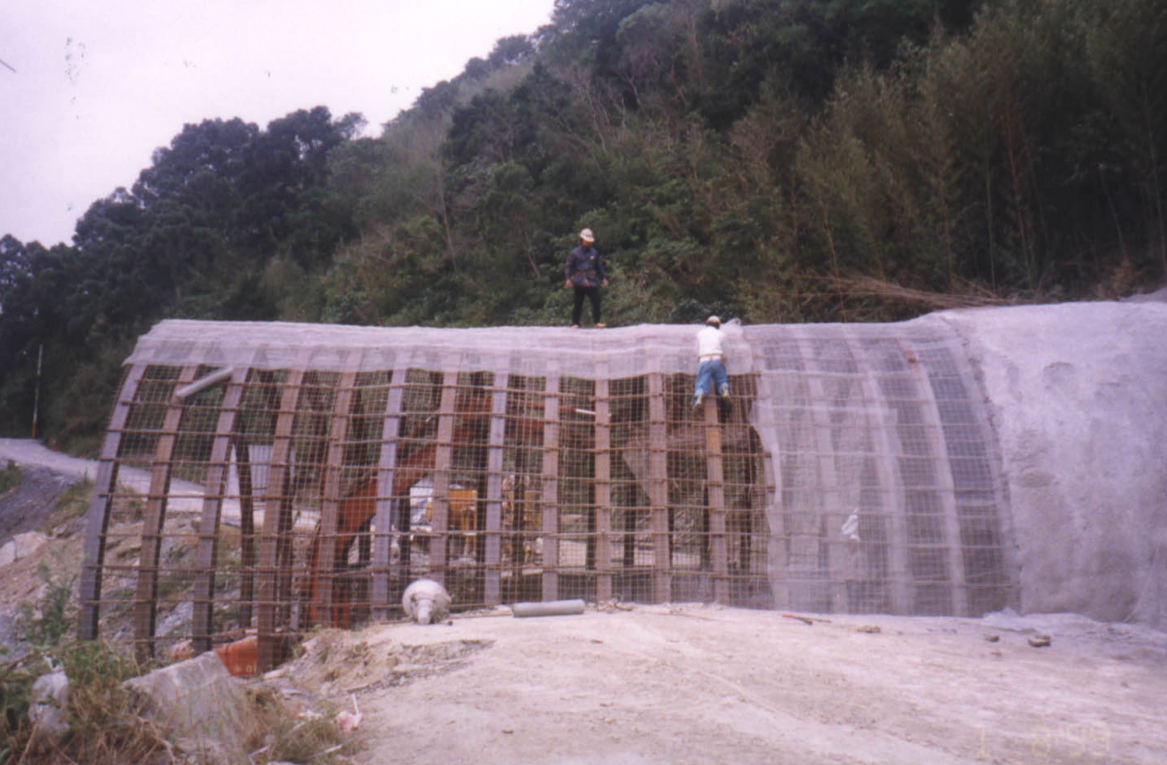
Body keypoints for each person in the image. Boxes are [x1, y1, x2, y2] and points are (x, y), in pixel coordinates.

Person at [564, 228, 608, 328]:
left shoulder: (594, 252)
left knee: (596, 300)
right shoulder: (574, 253)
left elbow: (599, 266)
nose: (588, 243)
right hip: (579, 280)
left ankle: (597, 321)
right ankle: (575, 323)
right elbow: (568, 266)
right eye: (586, 241)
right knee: (578, 302)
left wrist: (603, 278)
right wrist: (567, 279)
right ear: (582, 240)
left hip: (591, 280)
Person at [692, 315, 729, 408]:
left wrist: (698, 358)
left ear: (707, 324)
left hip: (704, 359)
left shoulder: (700, 334)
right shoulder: (721, 334)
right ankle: (724, 389)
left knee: (701, 380)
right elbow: (726, 350)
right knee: (721, 378)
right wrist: (724, 359)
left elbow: (696, 349)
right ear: (718, 325)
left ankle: (699, 396)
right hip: (717, 358)